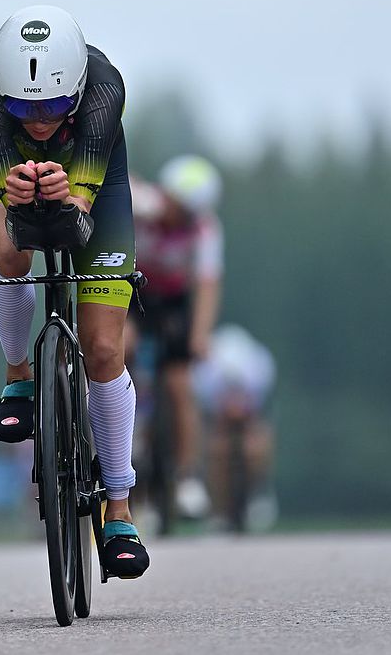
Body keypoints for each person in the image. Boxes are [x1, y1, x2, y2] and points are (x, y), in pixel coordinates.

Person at [0, 5, 149, 577]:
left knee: (101, 351)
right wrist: (17, 192)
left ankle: (118, 509)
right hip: (15, 179)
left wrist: (67, 193)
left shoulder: (103, 91)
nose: (39, 120)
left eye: (50, 106)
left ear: (74, 89)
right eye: (23, 107)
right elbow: (10, 217)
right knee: (9, 254)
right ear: (3, 96)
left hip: (97, 189)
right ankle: (18, 378)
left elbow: (78, 219)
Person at [128, 155, 224, 519]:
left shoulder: (205, 229)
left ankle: (186, 476)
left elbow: (208, 284)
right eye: (170, 200)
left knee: (181, 385)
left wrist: (200, 335)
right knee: (123, 348)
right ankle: (128, 427)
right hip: (133, 292)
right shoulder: (142, 205)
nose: (171, 211)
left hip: (172, 303)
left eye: (182, 209)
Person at [192, 324, 276, 531]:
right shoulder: (205, 381)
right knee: (215, 450)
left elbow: (257, 419)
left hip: (250, 408)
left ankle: (259, 489)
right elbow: (205, 420)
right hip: (213, 413)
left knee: (255, 445)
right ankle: (218, 508)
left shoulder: (258, 372)